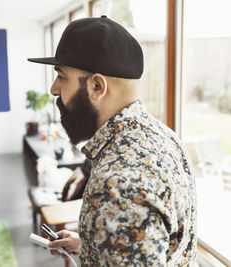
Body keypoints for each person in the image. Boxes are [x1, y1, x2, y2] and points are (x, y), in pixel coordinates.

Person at [28, 15, 197, 266]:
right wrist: (91, 246)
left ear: (97, 86)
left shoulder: (119, 182)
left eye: (62, 76)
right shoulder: (165, 137)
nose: (54, 89)